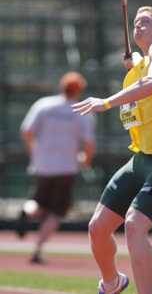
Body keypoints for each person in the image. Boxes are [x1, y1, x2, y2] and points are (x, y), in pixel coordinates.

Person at [72, 6, 152, 294]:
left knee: (134, 225)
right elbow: (145, 69)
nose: (137, 27)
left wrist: (105, 102)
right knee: (98, 228)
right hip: (141, 158)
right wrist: (136, 61)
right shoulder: (141, 64)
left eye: (146, 22)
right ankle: (112, 283)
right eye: (135, 23)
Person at [16, 71, 96, 264]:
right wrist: (86, 160)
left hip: (42, 164)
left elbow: (26, 131)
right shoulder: (82, 111)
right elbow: (89, 144)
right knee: (57, 211)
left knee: (38, 200)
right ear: (80, 90)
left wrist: (34, 151)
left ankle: (27, 211)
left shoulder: (43, 105)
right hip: (66, 167)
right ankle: (37, 249)